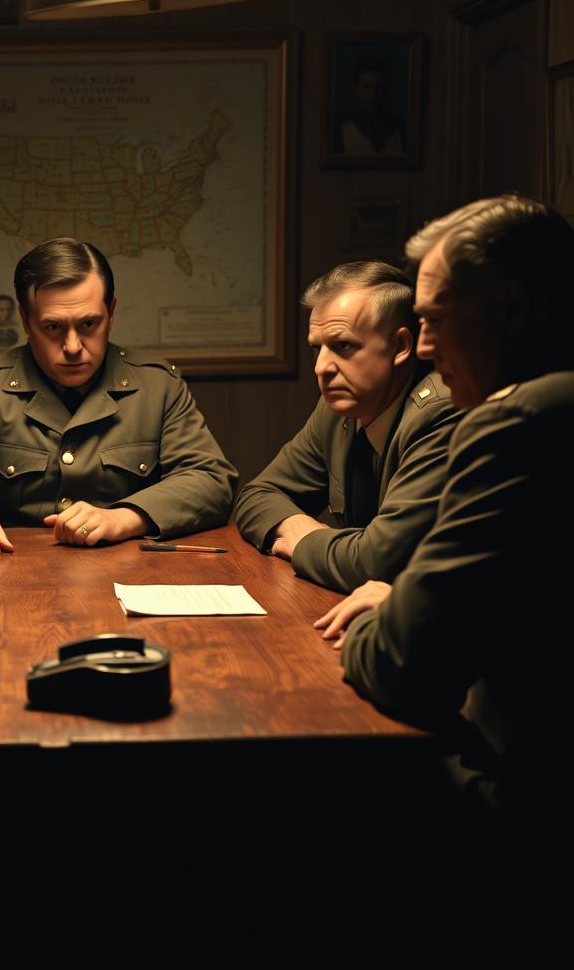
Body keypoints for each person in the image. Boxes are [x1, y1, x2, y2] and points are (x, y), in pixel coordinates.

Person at [315, 195, 574, 819]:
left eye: (437, 320)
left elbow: (402, 665)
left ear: (510, 311)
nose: (424, 349)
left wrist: (394, 613)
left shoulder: (514, 425)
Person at [0, 237, 238, 556]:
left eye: (89, 324)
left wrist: (125, 517)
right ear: (26, 321)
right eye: (53, 327)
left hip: (131, 569)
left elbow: (210, 480)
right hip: (13, 573)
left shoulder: (158, 385)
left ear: (111, 313)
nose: (73, 346)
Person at [235, 261, 460, 592]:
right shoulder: (339, 408)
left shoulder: (440, 413)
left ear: (400, 347)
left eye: (343, 346)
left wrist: (303, 541)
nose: (322, 367)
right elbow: (258, 496)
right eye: (317, 348)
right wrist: (316, 536)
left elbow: (375, 564)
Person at [335, 56, 403, 157]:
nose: (374, 93)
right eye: (367, 86)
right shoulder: (341, 128)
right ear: (355, 90)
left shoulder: (399, 127)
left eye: (379, 86)